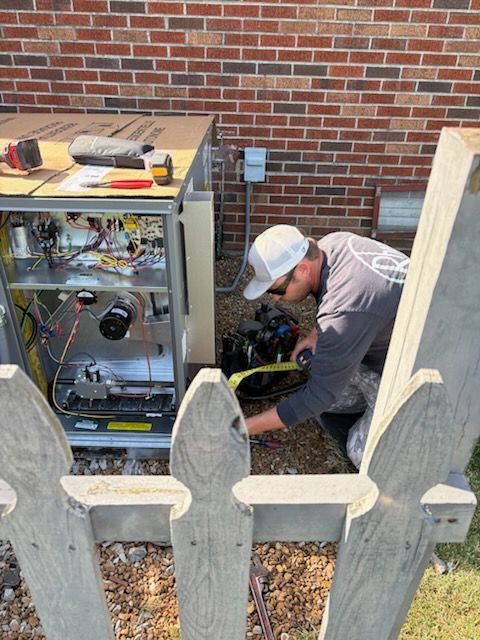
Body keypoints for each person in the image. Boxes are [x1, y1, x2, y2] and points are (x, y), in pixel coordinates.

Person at [243, 225, 409, 466]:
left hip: (419, 370)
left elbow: (316, 398)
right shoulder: (332, 244)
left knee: (363, 454)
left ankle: (403, 422)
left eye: (276, 289)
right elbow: (335, 304)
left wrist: (243, 428)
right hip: (385, 339)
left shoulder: (344, 313)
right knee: (327, 382)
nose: (275, 298)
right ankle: (373, 403)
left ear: (301, 269)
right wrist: (314, 336)